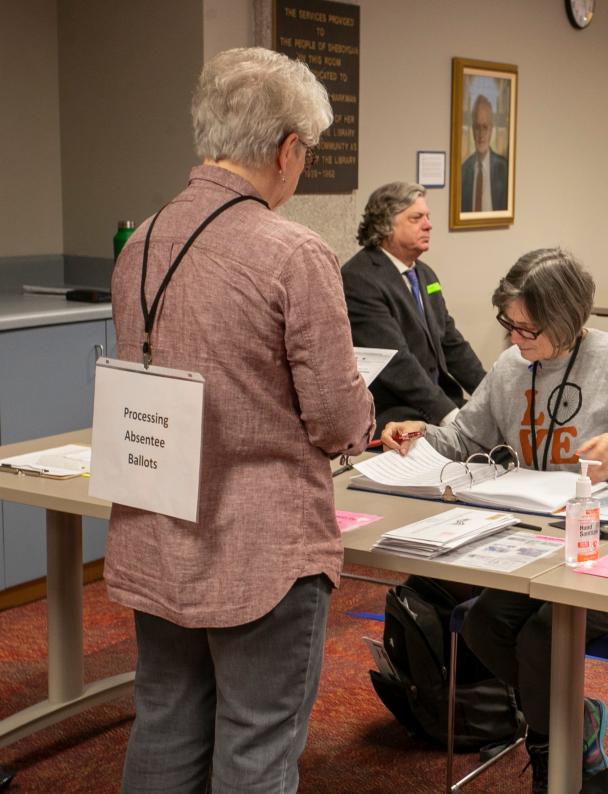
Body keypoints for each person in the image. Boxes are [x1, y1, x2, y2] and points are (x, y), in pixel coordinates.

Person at [105, 47, 375, 792]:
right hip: (263, 548)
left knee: (164, 720)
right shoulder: (294, 252)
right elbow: (335, 417)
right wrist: (364, 417)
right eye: (309, 151)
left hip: (159, 527)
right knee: (257, 746)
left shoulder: (143, 241)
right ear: (288, 149)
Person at [381, 248, 608, 792]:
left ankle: (564, 762)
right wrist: (418, 431)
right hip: (537, 535)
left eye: (528, 329)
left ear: (568, 318)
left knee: (542, 640)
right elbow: (466, 437)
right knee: (483, 623)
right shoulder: (513, 367)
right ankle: (576, 728)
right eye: (509, 325)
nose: (515, 340)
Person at [342, 182, 486, 428]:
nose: (428, 225)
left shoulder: (424, 274)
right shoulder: (359, 279)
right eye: (416, 218)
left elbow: (452, 344)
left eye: (427, 217)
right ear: (386, 225)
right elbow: (397, 362)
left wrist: (491, 394)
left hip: (438, 401)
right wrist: (450, 416)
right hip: (396, 413)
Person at [459, 94, 509, 212]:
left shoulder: (504, 168)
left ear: (491, 130)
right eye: (477, 127)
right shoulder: (463, 170)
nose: (481, 134)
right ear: (472, 130)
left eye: (485, 127)